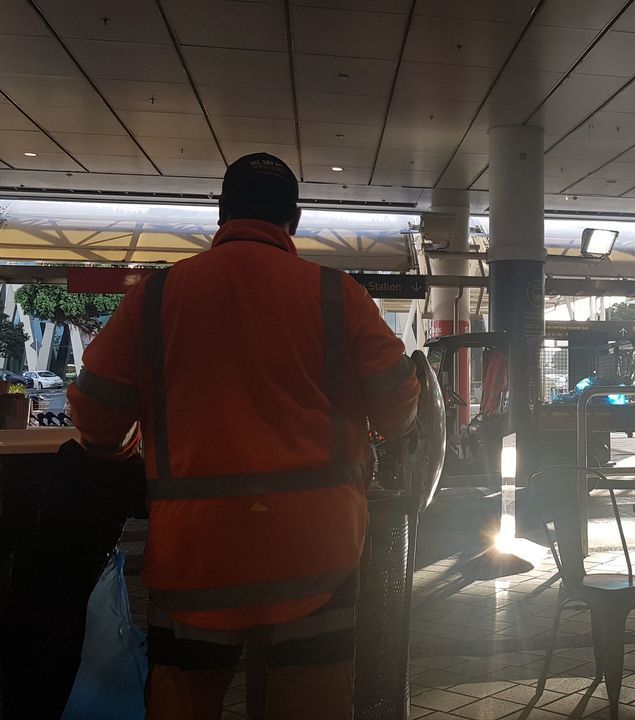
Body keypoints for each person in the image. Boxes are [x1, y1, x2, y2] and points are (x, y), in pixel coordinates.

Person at [68, 153, 420, 720]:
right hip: (315, 554)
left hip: (197, 558)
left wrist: (118, 452)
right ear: (295, 220)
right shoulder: (337, 295)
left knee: (183, 705)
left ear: (222, 214)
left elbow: (96, 408)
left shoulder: (157, 298)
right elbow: (399, 400)